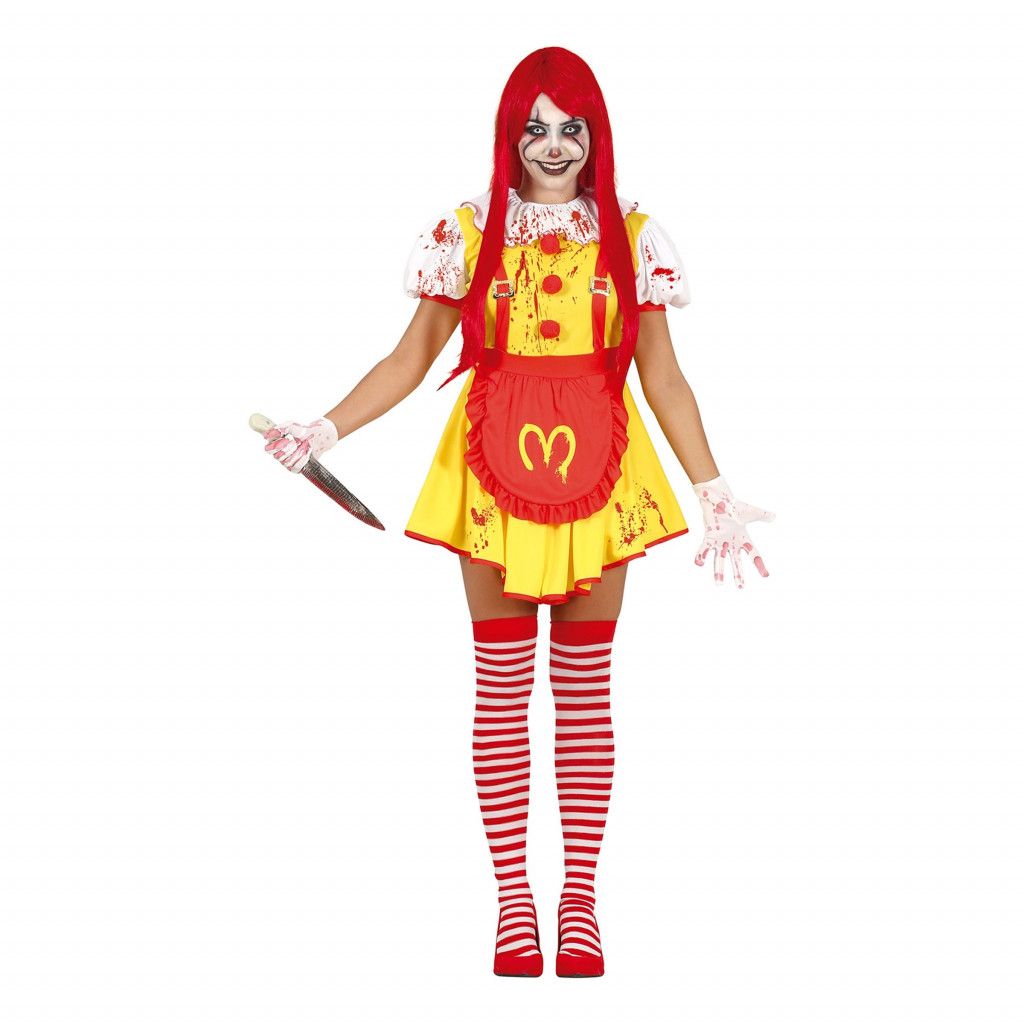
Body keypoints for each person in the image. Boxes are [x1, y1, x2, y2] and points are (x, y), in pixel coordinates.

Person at [260, 46, 774, 978]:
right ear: (510, 134)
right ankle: (512, 901)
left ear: (595, 134)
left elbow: (662, 376)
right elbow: (411, 357)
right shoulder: (468, 230)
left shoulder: (631, 233)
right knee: (500, 687)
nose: (553, 145)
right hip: (492, 460)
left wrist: (713, 490)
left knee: (584, 692)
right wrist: (324, 428)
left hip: (602, 467)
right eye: (534, 128)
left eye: (571, 127)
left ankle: (578, 901)